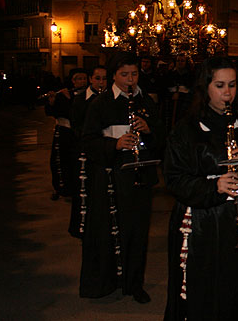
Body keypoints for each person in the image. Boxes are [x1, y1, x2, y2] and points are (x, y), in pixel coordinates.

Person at [163, 57, 238, 321]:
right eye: (219, 85)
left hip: (236, 217)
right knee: (204, 287)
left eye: (232, 85)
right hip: (201, 221)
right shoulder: (186, 128)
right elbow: (173, 179)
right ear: (205, 87)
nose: (227, 92)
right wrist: (215, 185)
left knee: (237, 284)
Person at [79, 52, 165, 303]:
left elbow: (162, 136)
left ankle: (134, 283)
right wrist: (115, 145)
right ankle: (109, 281)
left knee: (139, 232)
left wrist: (149, 130)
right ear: (114, 76)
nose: (131, 80)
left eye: (134, 74)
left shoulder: (146, 101)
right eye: (124, 75)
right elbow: (87, 141)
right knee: (111, 231)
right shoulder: (100, 103)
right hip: (111, 177)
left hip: (140, 174)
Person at [68, 65, 108, 239]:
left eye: (104, 79)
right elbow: (76, 125)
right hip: (85, 149)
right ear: (91, 79)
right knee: (84, 190)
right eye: (97, 78)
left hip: (104, 149)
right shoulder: (80, 99)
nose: (101, 82)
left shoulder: (110, 99)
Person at [45, 68, 88, 200]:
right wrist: (52, 101)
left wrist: (71, 100)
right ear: (73, 81)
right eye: (78, 78)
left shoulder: (88, 95)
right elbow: (53, 112)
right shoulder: (63, 93)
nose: (81, 81)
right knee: (61, 160)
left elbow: (79, 114)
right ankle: (63, 188)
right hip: (64, 132)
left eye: (83, 78)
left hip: (79, 133)